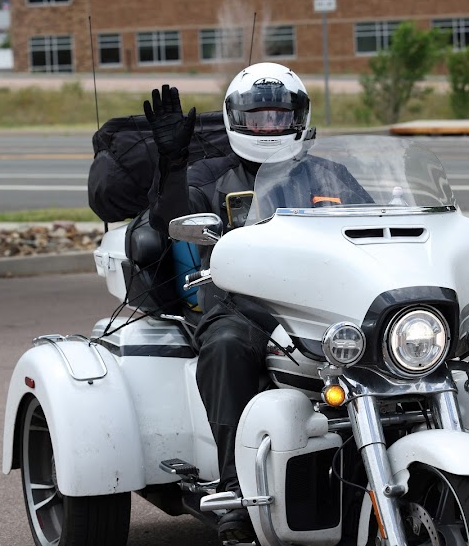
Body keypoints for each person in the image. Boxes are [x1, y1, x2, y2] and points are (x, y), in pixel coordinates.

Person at [143, 62, 338, 545]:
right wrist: (171, 164)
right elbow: (169, 221)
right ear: (236, 120)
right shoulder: (209, 176)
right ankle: (236, 489)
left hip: (325, 304)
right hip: (239, 305)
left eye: (279, 117)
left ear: (298, 118)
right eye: (258, 118)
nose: (269, 128)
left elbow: (377, 222)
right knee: (226, 345)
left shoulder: (328, 175)